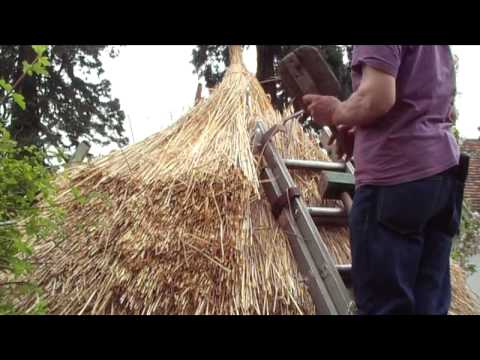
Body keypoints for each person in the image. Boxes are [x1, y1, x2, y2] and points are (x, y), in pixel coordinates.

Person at [303, 46, 466, 315]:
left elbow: (377, 97)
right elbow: (421, 100)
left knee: (384, 307)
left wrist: (335, 111)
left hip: (395, 181)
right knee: (429, 307)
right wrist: (361, 128)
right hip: (441, 176)